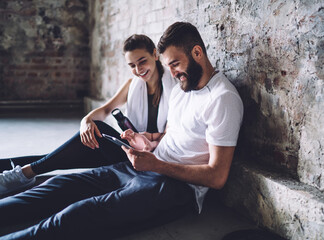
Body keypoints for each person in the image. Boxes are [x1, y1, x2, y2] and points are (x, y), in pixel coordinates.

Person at [0, 22, 244, 240]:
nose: (172, 74)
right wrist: (148, 142)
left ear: (197, 52)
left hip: (176, 187)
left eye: (176, 64)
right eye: (168, 66)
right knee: (62, 185)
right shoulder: (183, 88)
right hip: (148, 164)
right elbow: (173, 132)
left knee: (78, 214)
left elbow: (217, 177)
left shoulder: (223, 99)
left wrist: (156, 165)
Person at [0, 34, 176, 196]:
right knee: (62, 156)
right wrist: (86, 120)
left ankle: (22, 174)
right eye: (132, 65)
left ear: (155, 54)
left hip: (152, 157)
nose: (138, 70)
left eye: (142, 61)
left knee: (80, 143)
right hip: (130, 147)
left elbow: (173, 134)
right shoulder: (133, 84)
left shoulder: (174, 86)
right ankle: (19, 173)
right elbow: (106, 109)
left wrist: (150, 138)